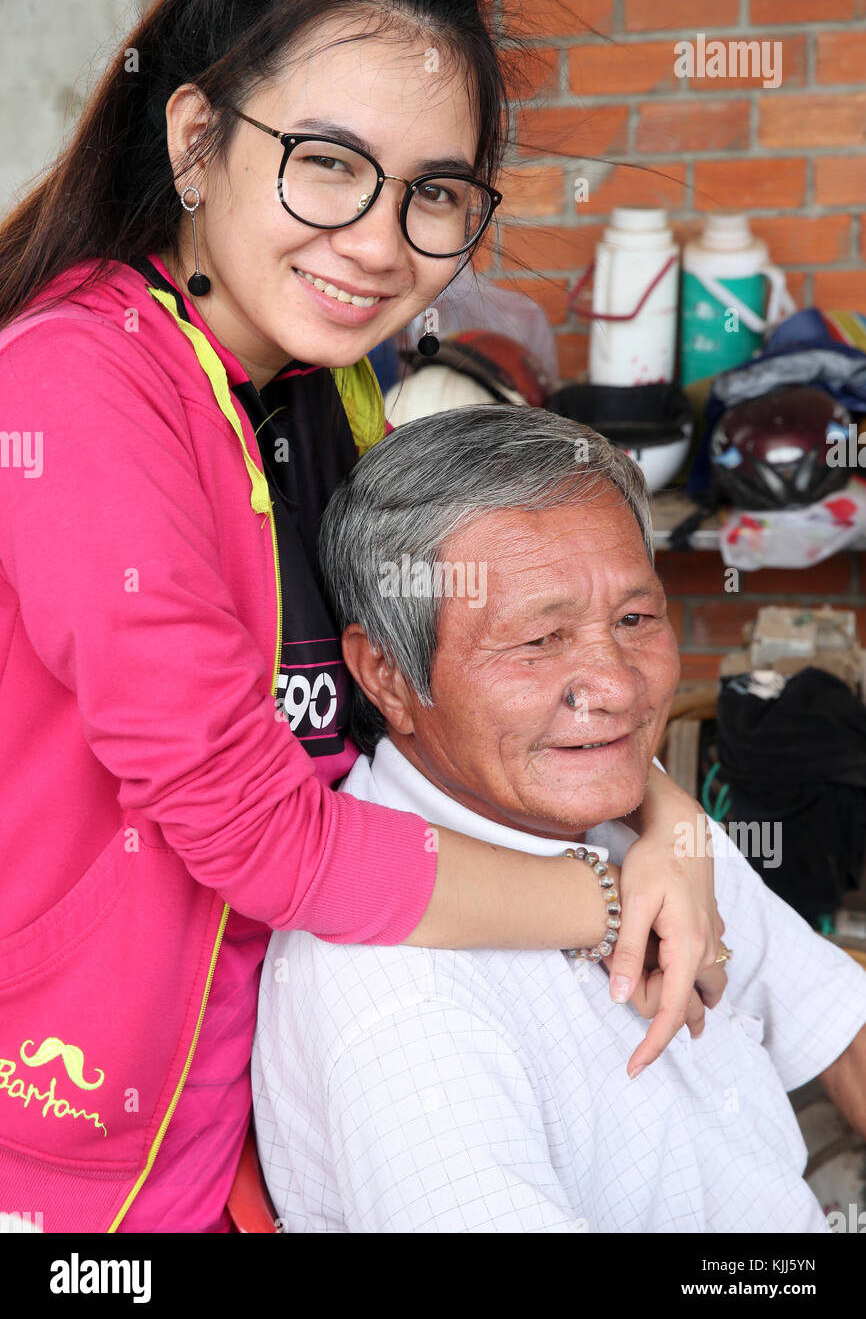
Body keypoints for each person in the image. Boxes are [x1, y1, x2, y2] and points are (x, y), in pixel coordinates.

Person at [0, 0, 722, 1233]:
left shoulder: (328, 385)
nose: (380, 245)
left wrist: (667, 818)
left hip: (236, 1117)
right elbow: (252, 829)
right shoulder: (75, 388)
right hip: (54, 1145)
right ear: (194, 140)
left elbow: (429, 661)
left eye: (434, 191)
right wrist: (608, 892)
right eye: (327, 165)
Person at [253, 406, 866, 1233]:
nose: (612, 686)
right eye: (540, 640)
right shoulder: (400, 1005)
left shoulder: (632, 812)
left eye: (634, 620)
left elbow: (839, 1023)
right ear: (387, 675)